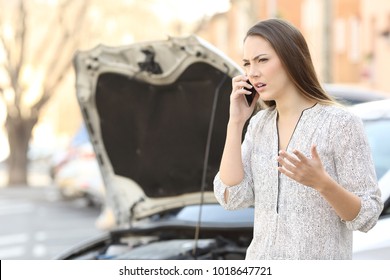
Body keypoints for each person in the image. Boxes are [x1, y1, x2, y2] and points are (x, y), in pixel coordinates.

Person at [213, 18, 383, 260]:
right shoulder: (259, 125)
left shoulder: (340, 124)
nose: (253, 72)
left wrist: (323, 184)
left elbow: (367, 216)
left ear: (292, 59)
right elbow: (231, 197)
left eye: (262, 60)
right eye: (247, 63)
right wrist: (236, 122)